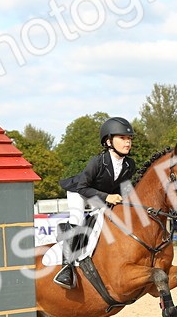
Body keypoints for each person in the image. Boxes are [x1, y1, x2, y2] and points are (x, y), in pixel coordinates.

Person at [53, 117, 136, 288]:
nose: (127, 142)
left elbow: (123, 189)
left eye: (129, 139)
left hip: (102, 196)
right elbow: (83, 187)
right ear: (108, 141)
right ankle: (66, 268)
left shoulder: (130, 164)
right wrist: (107, 197)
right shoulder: (97, 162)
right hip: (80, 192)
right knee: (77, 218)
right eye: (122, 138)